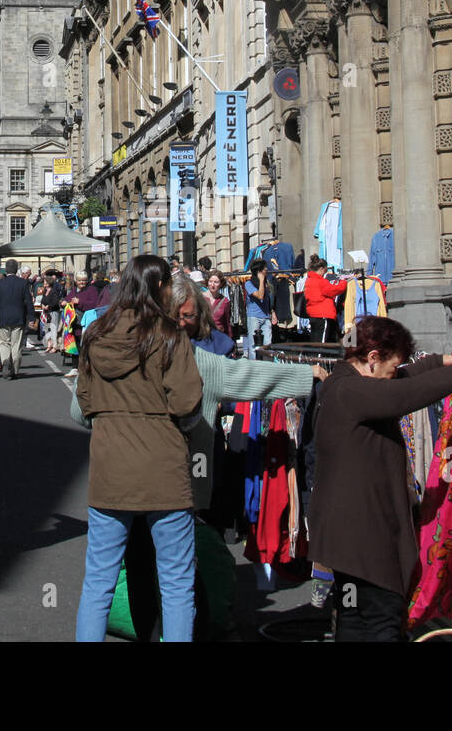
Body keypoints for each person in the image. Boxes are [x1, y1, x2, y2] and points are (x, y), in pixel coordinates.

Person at [73, 273, 326, 640]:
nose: (187, 322)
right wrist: (308, 377)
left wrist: (114, 427)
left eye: (192, 315)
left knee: (110, 577)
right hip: (173, 481)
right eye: (184, 315)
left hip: (114, 478)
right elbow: (248, 377)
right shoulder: (191, 358)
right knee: (176, 581)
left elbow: (78, 411)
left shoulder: (103, 346)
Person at [309, 316, 452, 641]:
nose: (394, 373)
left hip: (344, 537)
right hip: (364, 537)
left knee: (353, 617)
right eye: (390, 366)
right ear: (372, 359)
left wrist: (444, 361)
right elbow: (407, 393)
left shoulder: (342, 382)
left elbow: (403, 378)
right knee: (381, 618)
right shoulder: (352, 392)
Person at [74, 255, 205, 642]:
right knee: (177, 582)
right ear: (158, 286)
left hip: (110, 467)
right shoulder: (169, 334)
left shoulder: (95, 334)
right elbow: (185, 402)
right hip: (163, 468)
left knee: (98, 580)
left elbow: (85, 402)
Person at [0, 259, 33, 380]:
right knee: (16, 344)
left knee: (4, 342)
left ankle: (5, 361)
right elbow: (28, 301)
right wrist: (31, 317)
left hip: (3, 317)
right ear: (17, 270)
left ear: (6, 269)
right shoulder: (23, 283)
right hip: (18, 317)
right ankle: (15, 369)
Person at [303, 254, 349, 343]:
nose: (325, 273)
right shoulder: (320, 281)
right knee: (322, 341)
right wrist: (343, 282)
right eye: (325, 270)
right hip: (323, 315)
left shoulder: (309, 280)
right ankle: (319, 356)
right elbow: (334, 290)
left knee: (316, 339)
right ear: (321, 269)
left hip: (314, 314)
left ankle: (315, 356)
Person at [243, 259, 277, 359]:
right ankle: (254, 367)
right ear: (259, 271)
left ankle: (266, 366)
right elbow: (260, 296)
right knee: (254, 345)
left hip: (266, 316)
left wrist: (272, 312)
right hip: (254, 317)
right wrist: (261, 280)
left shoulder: (267, 283)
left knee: (267, 344)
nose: (266, 269)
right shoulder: (248, 284)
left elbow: (268, 299)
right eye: (264, 268)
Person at [204, 270, 232, 339]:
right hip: (204, 338)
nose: (212, 285)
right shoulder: (200, 298)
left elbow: (227, 324)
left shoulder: (225, 302)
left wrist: (230, 340)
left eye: (216, 282)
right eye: (210, 281)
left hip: (218, 338)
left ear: (221, 284)